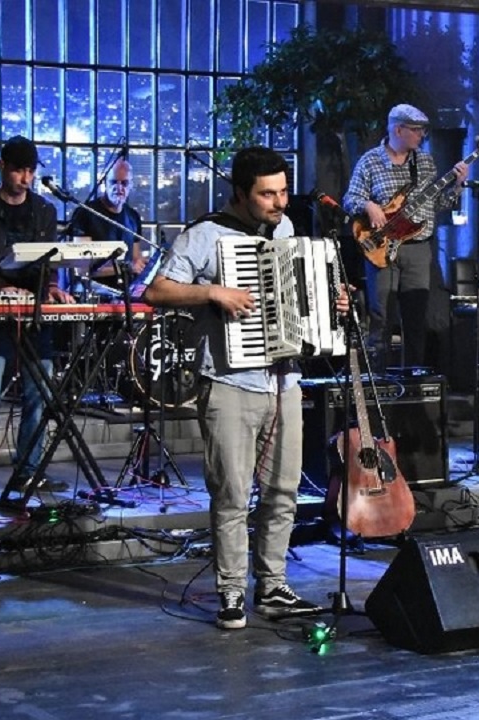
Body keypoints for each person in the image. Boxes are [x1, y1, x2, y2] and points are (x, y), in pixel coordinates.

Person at [145, 146, 346, 630]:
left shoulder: (286, 229)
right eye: (267, 194)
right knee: (232, 493)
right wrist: (213, 291)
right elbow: (156, 291)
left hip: (284, 380)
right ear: (240, 193)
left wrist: (331, 300)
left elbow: (299, 295)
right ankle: (231, 592)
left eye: (283, 191)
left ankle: (272, 586)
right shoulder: (206, 234)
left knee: (283, 491)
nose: (280, 202)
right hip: (228, 381)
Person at [0, 136, 74, 507]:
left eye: (30, 171)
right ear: (2, 167)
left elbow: (47, 263)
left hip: (35, 317)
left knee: (39, 395)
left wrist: (51, 287)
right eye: (19, 170)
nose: (26, 179)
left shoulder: (44, 211)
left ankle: (28, 471)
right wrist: (5, 288)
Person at [342, 104, 468, 369]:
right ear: (398, 130)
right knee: (381, 317)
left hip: (417, 248)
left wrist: (458, 186)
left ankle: (412, 378)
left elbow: (438, 204)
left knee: (415, 319)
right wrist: (368, 205)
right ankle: (378, 378)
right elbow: (349, 199)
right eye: (416, 130)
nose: (421, 135)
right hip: (380, 247)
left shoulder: (425, 162)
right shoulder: (370, 161)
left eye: (422, 130)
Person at [67, 158, 149, 292]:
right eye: (113, 182)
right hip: (93, 291)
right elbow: (82, 269)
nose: (119, 188)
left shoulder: (133, 216)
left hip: (126, 291)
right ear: (105, 183)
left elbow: (135, 260)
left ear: (131, 186)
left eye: (124, 183)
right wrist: (126, 268)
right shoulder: (86, 213)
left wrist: (144, 265)